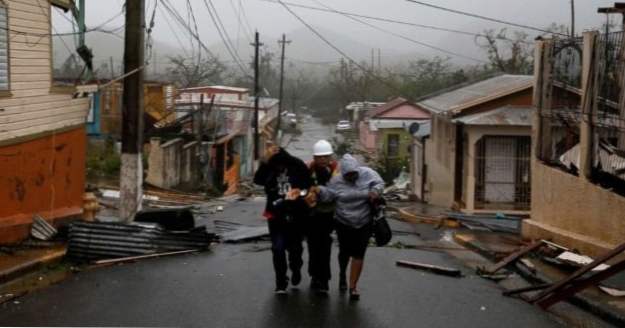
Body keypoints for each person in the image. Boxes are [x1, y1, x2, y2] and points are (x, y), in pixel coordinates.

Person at [311, 154, 384, 300]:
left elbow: (380, 183)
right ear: (343, 174)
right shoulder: (336, 181)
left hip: (364, 221)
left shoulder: (368, 173)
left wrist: (375, 191)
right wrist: (318, 190)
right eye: (348, 175)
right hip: (343, 221)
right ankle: (342, 273)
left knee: (359, 253)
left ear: (358, 170)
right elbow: (328, 196)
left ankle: (353, 287)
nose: (352, 177)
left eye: (354, 174)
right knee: (345, 251)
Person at [253, 143, 313, 294]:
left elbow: (308, 186)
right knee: (277, 248)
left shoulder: (297, 165)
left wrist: (299, 193)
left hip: (296, 213)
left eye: (280, 163)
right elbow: (258, 180)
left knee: (295, 248)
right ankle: (281, 282)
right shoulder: (269, 167)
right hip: (275, 214)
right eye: (275, 163)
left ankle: (296, 268)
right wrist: (265, 162)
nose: (278, 167)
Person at [304, 140, 339, 294]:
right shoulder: (308, 169)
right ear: (314, 157)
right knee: (313, 246)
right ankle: (314, 276)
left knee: (324, 247)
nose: (323, 159)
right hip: (311, 215)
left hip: (328, 215)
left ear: (330, 156)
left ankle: (324, 279)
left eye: (326, 156)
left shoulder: (336, 171)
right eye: (320, 157)